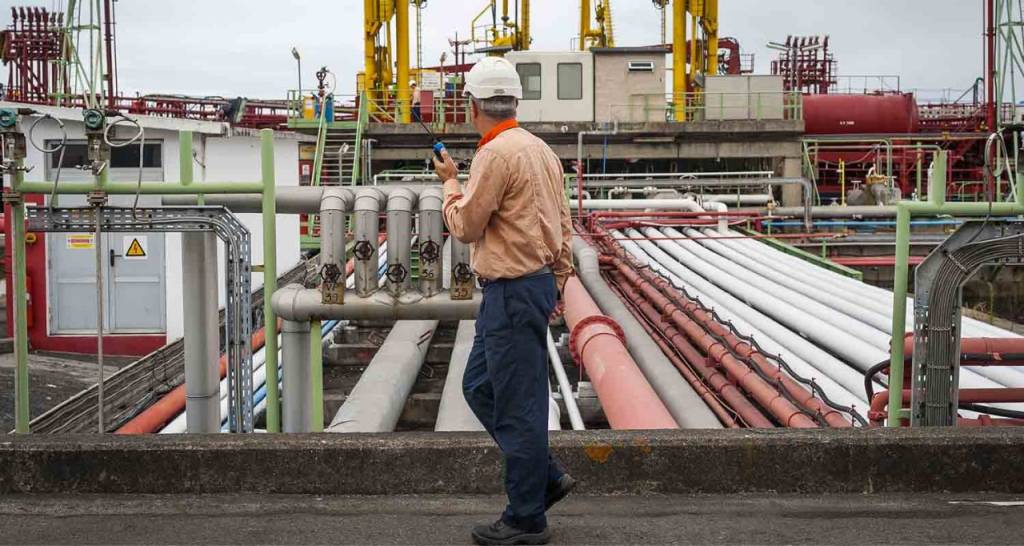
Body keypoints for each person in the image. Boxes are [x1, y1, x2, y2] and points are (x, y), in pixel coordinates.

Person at [433, 56, 576, 546]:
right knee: (480, 387)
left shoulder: (495, 155)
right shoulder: (541, 151)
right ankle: (546, 477)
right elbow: (564, 222)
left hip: (510, 290)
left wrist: (450, 183)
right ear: (514, 100)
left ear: (474, 106)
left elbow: (467, 226)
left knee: (517, 405)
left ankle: (525, 519)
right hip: (530, 286)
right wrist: (559, 280)